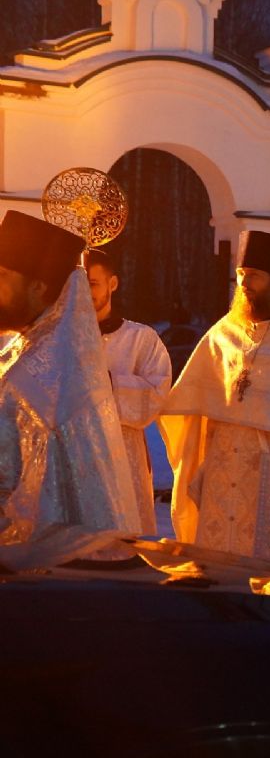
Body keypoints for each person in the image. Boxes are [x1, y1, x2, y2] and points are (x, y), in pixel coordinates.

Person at [159, 231, 270, 566]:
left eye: (255, 277)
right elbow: (192, 396)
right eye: (242, 275)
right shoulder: (223, 333)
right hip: (222, 462)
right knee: (217, 560)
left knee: (266, 566)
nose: (244, 284)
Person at [0, 210, 136, 565]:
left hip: (40, 562)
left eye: (2, 276)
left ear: (38, 287)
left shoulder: (38, 368)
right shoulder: (39, 347)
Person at [86, 249, 172, 534]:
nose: (85, 291)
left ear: (113, 284)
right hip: (75, 456)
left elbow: (157, 392)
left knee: (124, 539)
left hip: (124, 454)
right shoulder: (58, 338)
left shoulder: (141, 339)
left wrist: (109, 383)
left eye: (93, 283)